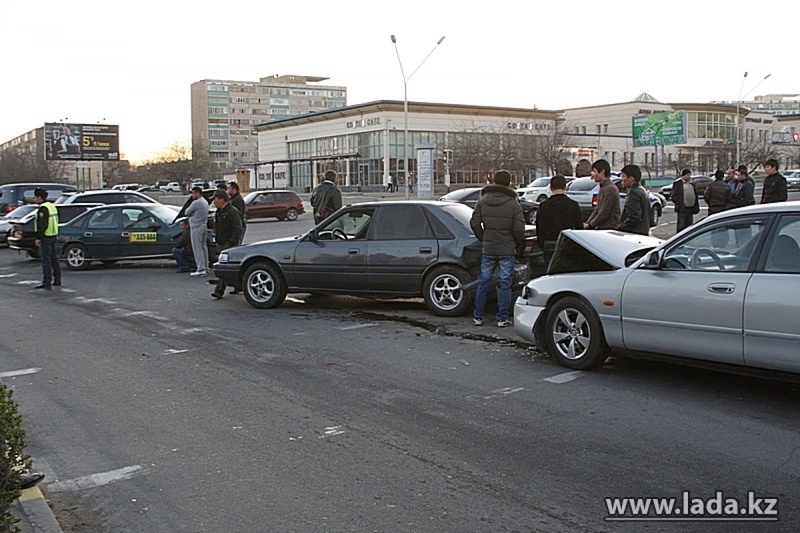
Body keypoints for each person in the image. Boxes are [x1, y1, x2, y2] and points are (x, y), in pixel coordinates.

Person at [470, 170, 525, 328]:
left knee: (483, 282)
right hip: (507, 249)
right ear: (508, 183)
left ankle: (478, 316)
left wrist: (484, 237)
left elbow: (474, 223)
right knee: (505, 284)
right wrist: (513, 240)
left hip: (488, 247)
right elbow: (519, 228)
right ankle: (501, 318)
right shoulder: (513, 203)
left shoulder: (482, 201)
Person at [535, 174, 582, 266]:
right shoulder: (573, 205)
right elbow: (579, 227)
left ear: (551, 188)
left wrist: (541, 244)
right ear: (565, 187)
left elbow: (540, 227)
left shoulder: (543, 206)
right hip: (567, 244)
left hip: (549, 243)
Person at [211, 190, 243, 299]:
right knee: (230, 267)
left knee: (223, 267)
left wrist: (232, 242)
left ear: (222, 199)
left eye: (215, 199)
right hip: (221, 242)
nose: (214, 202)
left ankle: (219, 290)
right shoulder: (219, 212)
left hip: (228, 244)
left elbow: (238, 228)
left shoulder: (232, 212)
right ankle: (238, 285)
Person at [32, 188, 61, 290]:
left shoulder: (43, 209)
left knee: (46, 260)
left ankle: (46, 282)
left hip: (46, 236)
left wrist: (38, 238)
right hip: (53, 235)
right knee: (54, 259)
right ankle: (57, 280)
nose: (34, 199)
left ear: (40, 197)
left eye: (35, 197)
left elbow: (42, 225)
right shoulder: (51, 206)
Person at [584, 159, 620, 230]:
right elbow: (597, 210)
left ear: (602, 171)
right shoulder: (602, 187)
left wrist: (590, 225)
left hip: (608, 230)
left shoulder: (610, 189)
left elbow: (604, 213)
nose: (592, 174)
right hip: (602, 229)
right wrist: (587, 224)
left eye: (594, 171)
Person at [617, 164, 650, 235]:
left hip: (634, 234)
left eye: (623, 176)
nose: (621, 179)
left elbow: (634, 217)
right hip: (642, 233)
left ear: (631, 178)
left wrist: (621, 228)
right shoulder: (642, 190)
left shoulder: (633, 193)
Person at [185, 186, 209, 277]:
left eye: (193, 193)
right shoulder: (205, 202)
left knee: (197, 248)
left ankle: (200, 268)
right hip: (203, 225)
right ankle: (205, 267)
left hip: (196, 227)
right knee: (203, 248)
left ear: (198, 193)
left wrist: (191, 214)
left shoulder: (196, 203)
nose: (192, 195)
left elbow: (187, 212)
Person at [672, 168, 700, 233]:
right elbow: (674, 196)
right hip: (682, 208)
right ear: (683, 175)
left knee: (689, 225)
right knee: (681, 225)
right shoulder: (678, 183)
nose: (689, 176)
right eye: (687, 175)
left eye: (689, 175)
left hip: (690, 208)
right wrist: (679, 203)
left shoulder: (691, 184)